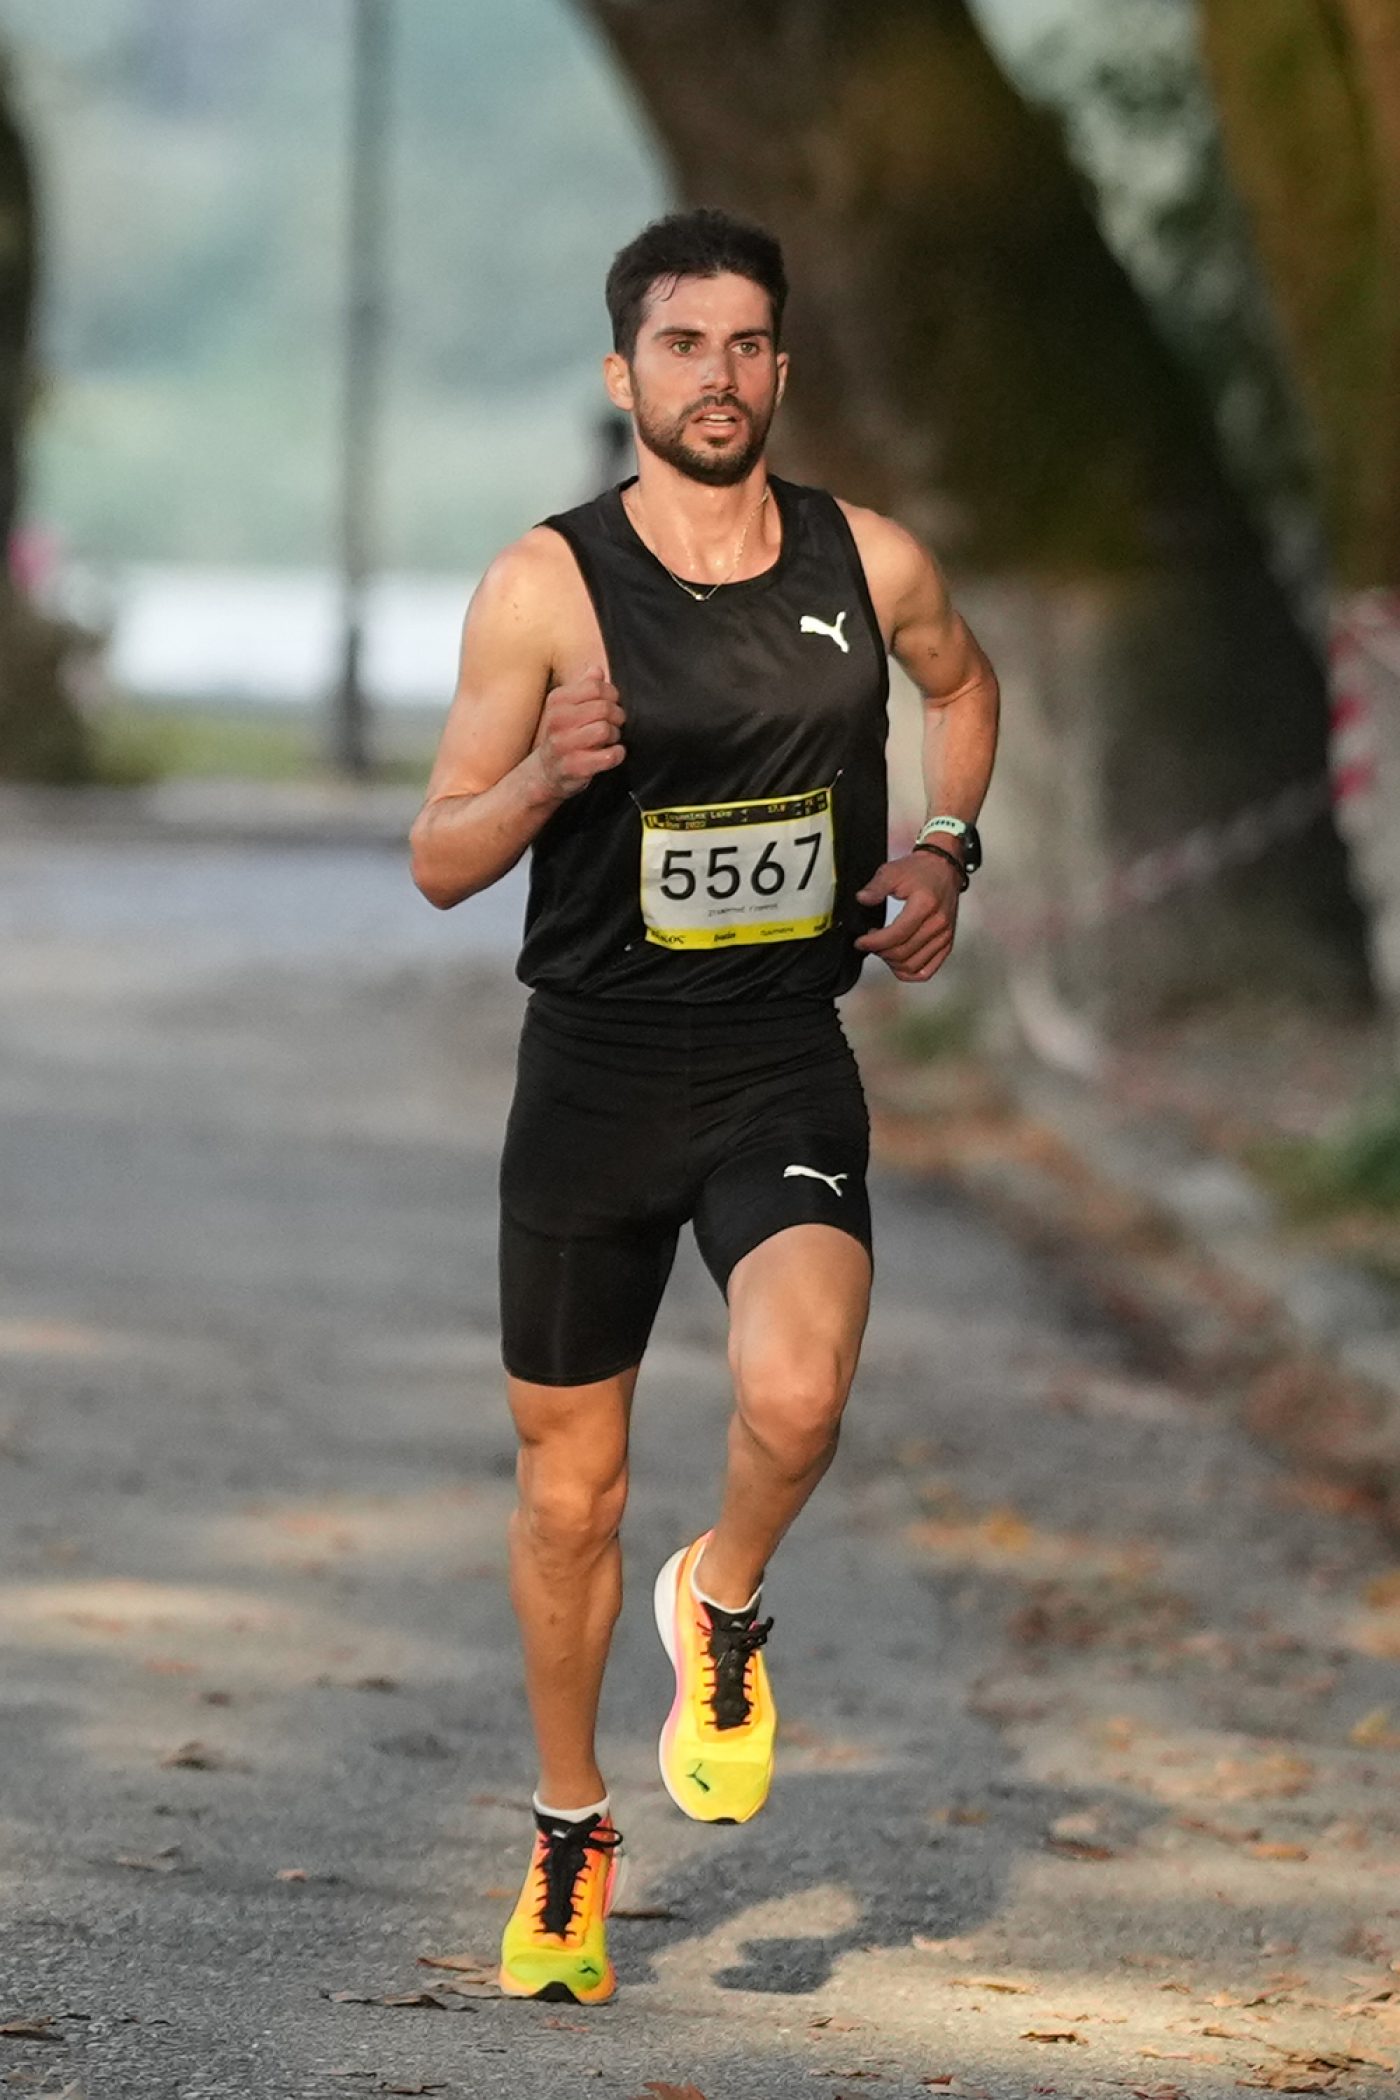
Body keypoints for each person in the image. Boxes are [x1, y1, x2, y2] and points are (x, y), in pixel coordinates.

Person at [409, 208, 1000, 2006]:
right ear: (625, 374)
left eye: (746, 345)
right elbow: (439, 855)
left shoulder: (868, 558)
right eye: (683, 346)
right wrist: (541, 779)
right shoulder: (544, 587)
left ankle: (723, 1597)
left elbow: (964, 685)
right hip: (591, 1075)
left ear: (781, 370)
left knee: (799, 1393)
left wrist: (944, 846)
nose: (717, 377)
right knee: (569, 1499)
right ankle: (571, 1829)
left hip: (775, 1057)